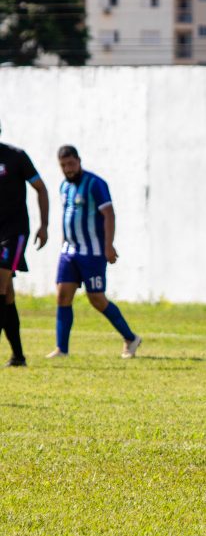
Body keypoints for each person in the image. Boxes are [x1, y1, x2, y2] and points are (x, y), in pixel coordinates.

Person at [46, 146, 142, 359]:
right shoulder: (64, 187)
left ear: (79, 161)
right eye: (63, 165)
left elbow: (109, 214)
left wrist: (109, 246)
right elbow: (68, 218)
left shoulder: (95, 184)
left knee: (97, 298)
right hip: (69, 251)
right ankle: (62, 349)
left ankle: (130, 338)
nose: (68, 169)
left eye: (71, 164)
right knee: (63, 296)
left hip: (93, 252)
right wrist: (63, 244)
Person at [0, 121, 49, 367]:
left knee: (0, 283)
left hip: (14, 232)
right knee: (7, 294)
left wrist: (44, 225)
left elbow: (40, 188)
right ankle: (18, 356)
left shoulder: (15, 157)